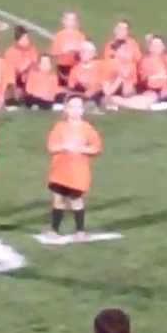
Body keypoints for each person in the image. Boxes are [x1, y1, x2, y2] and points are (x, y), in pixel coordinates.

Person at [46, 96, 103, 240]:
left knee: (76, 200)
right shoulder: (59, 127)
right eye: (72, 107)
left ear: (83, 110)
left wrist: (82, 149)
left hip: (78, 172)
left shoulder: (87, 129)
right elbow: (51, 147)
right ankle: (54, 230)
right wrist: (64, 146)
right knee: (58, 199)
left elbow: (96, 147)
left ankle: (80, 231)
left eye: (79, 107)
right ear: (66, 109)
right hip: (59, 171)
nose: (75, 110)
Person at [50, 12, 86, 80]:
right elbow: (54, 54)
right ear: (64, 21)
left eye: (73, 20)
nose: (71, 22)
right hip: (63, 69)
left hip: (77, 68)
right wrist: (63, 52)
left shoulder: (81, 36)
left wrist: (77, 52)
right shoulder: (59, 36)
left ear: (76, 22)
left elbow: (85, 54)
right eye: (68, 20)